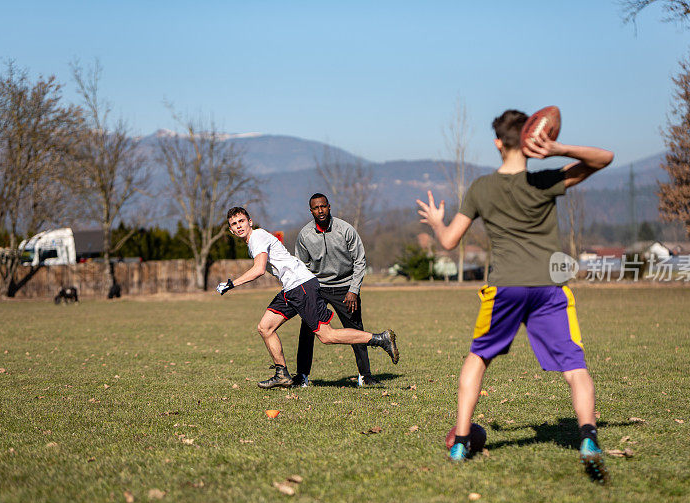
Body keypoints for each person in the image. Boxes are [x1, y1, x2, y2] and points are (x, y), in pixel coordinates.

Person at [416, 109, 613, 482]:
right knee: (575, 367)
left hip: (504, 288)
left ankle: (460, 441)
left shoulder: (480, 188)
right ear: (530, 139)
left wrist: (437, 221)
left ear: (496, 143)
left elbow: (447, 241)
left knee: (478, 359)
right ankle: (588, 439)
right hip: (549, 288)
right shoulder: (546, 180)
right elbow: (605, 158)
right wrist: (556, 149)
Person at [216, 206, 399, 389]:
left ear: (249, 222)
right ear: (231, 230)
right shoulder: (253, 242)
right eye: (234, 224)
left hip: (301, 286)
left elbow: (259, 269)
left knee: (327, 336)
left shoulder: (257, 237)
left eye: (241, 221)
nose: (239, 226)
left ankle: (379, 339)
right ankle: (282, 374)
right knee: (265, 327)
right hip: (291, 288)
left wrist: (232, 284)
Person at [293, 193, 390, 388]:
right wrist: (305, 293)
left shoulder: (345, 229)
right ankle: (302, 376)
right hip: (316, 288)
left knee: (356, 330)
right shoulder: (305, 235)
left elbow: (360, 260)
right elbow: (300, 265)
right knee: (307, 332)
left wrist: (353, 290)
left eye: (323, 206)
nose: (320, 211)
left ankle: (365, 376)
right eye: (315, 208)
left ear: (329, 207)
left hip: (345, 288)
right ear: (310, 211)